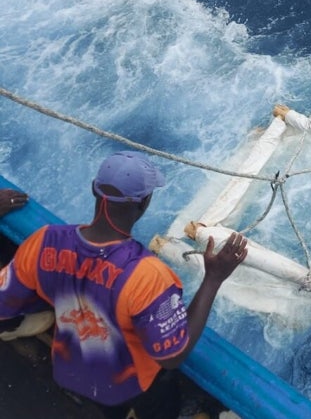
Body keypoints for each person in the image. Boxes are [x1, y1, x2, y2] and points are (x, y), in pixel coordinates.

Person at [0, 151, 248, 419]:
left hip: (67, 369)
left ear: (94, 190)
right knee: (159, 401)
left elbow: (5, 303)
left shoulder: (43, 240)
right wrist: (213, 279)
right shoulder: (148, 275)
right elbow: (172, 356)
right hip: (127, 386)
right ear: (144, 203)